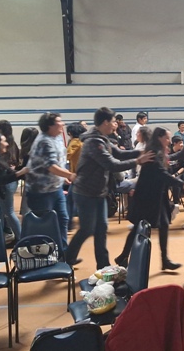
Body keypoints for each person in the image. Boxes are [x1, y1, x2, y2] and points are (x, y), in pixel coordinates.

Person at [66, 107, 154, 269]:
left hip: (98, 191)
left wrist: (140, 152)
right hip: (86, 192)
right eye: (113, 121)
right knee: (87, 229)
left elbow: (119, 154)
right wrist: (138, 161)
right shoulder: (94, 142)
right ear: (105, 122)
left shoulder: (102, 139)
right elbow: (112, 164)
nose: (115, 124)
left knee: (101, 229)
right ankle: (67, 258)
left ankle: (103, 265)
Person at [115, 127, 184, 269]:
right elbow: (162, 174)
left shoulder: (159, 152)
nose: (169, 141)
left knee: (164, 224)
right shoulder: (154, 153)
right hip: (147, 197)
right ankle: (123, 256)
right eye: (167, 138)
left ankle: (164, 260)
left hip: (157, 196)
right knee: (138, 227)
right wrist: (182, 184)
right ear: (159, 138)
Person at [25, 112, 76, 250]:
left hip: (55, 188)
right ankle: (45, 255)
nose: (63, 124)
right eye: (59, 122)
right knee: (45, 226)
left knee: (63, 219)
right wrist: (71, 175)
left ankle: (63, 253)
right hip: (41, 191)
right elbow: (51, 166)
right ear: (49, 126)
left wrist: (63, 177)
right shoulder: (44, 141)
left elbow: (59, 162)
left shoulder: (57, 138)